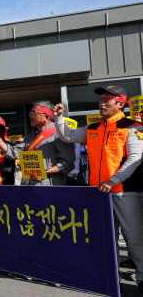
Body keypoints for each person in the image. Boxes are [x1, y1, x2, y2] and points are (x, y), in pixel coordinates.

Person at [52, 85, 143, 292]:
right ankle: (111, 279)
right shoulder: (93, 128)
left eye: (107, 100)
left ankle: (141, 279)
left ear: (120, 104)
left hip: (125, 191)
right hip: (100, 193)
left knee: (135, 238)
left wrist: (113, 180)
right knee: (106, 240)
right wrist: (59, 118)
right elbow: (67, 136)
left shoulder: (133, 126)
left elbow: (136, 158)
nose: (102, 103)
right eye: (101, 99)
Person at [0, 101, 75, 186]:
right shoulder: (29, 137)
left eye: (34, 113)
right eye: (30, 112)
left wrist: (44, 173)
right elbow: (14, 153)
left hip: (49, 187)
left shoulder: (60, 134)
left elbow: (67, 164)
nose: (30, 115)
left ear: (46, 117)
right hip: (27, 186)